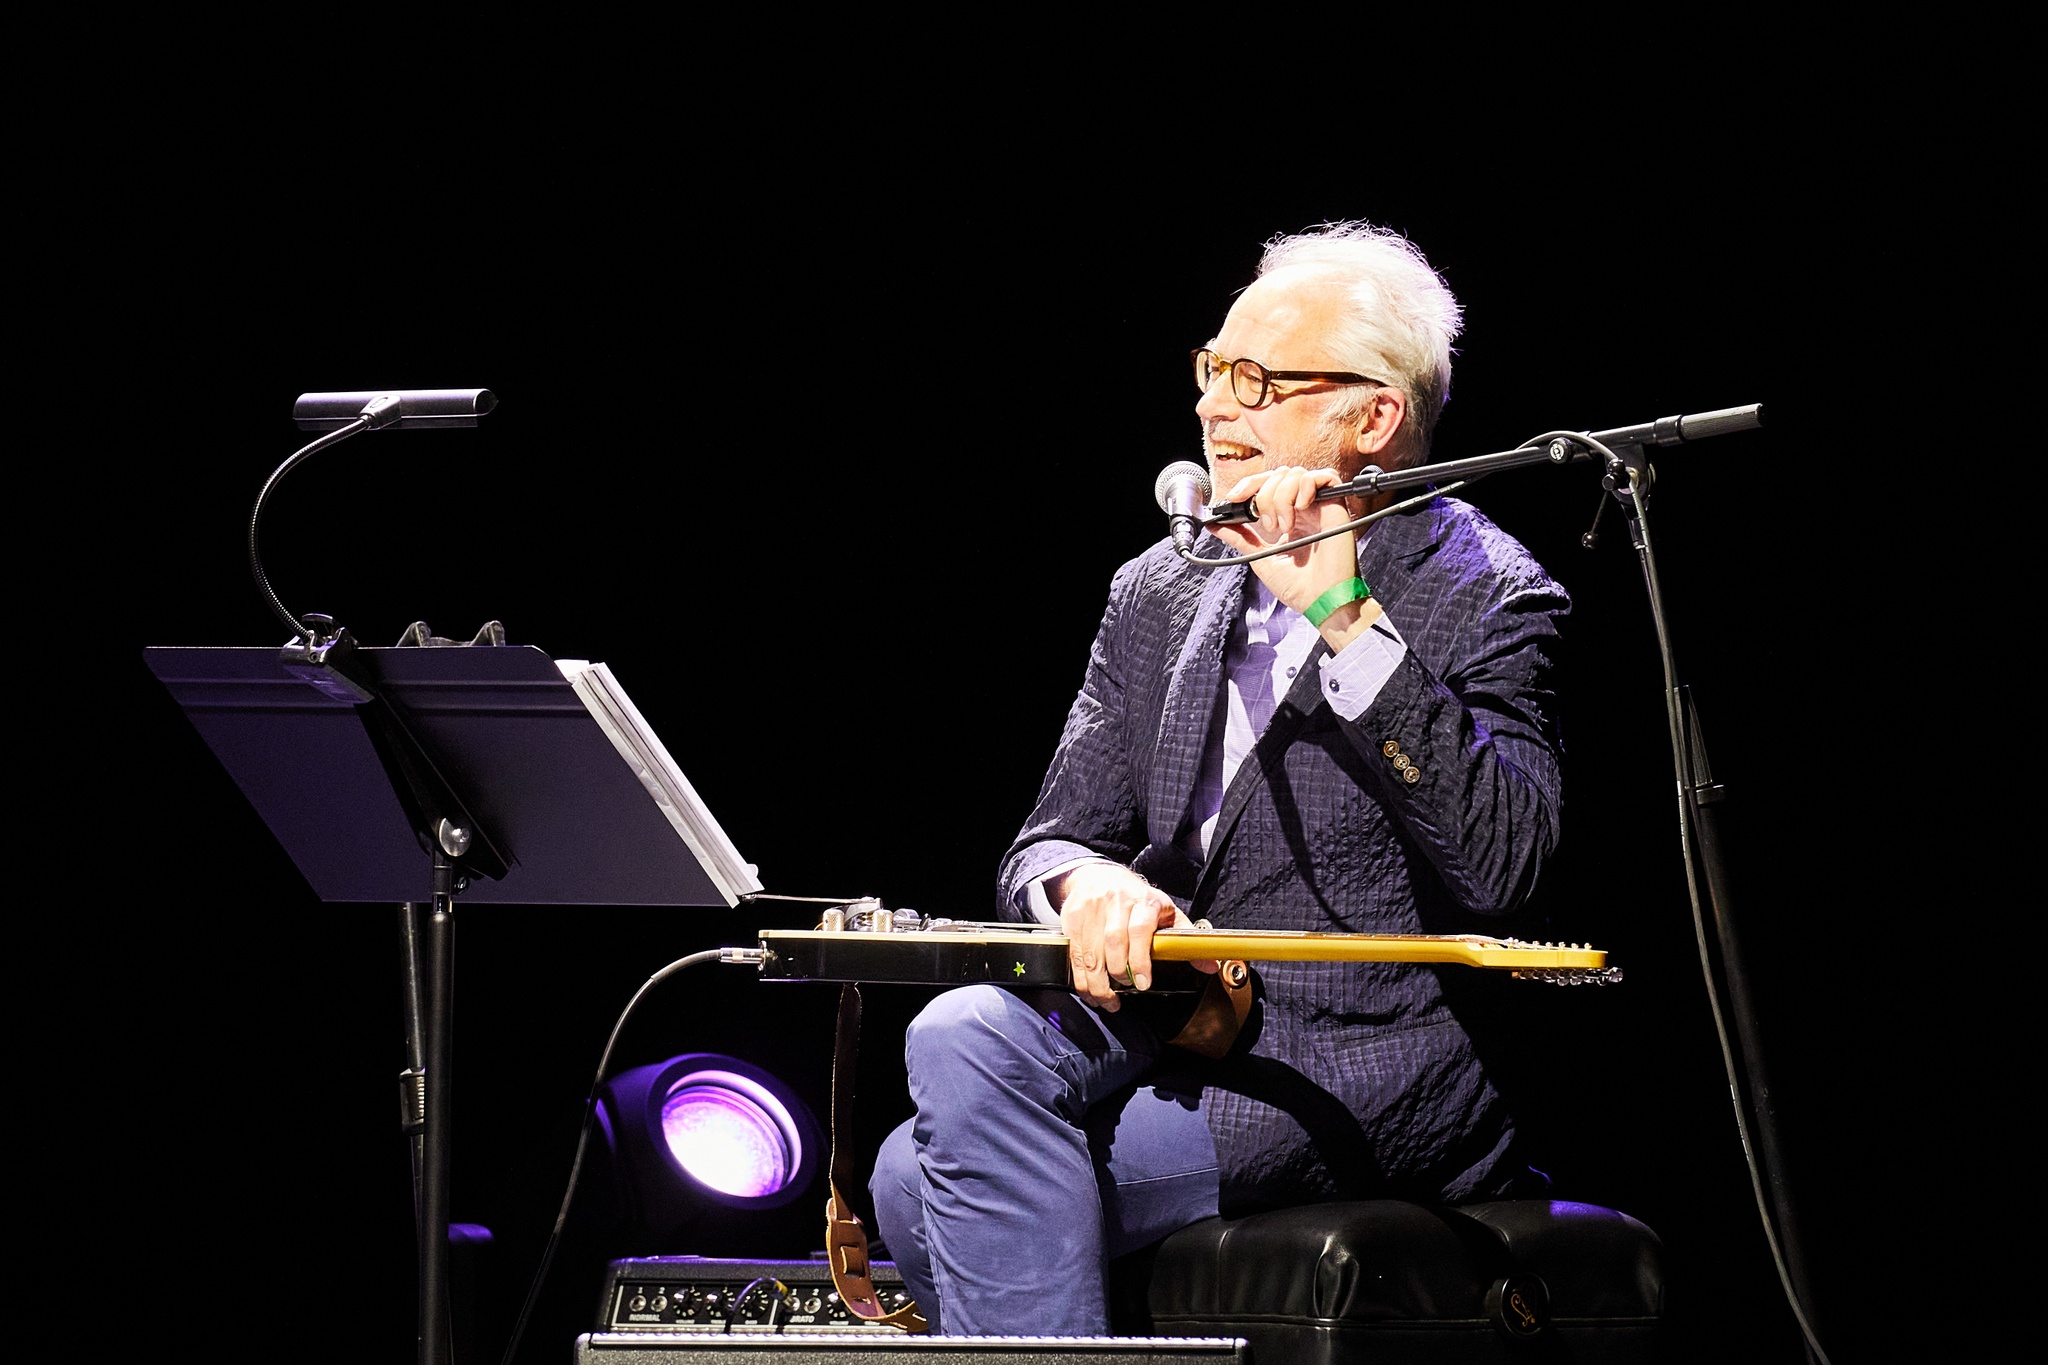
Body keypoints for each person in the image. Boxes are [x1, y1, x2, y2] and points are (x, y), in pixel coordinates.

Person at [869, 221, 1569, 1336]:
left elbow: (1503, 867)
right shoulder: (1161, 584)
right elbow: (1044, 842)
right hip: (1171, 1016)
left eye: (1254, 381)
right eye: (1210, 370)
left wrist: (1346, 619)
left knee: (916, 1183)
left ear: (1370, 419)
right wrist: (1088, 886)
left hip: (1366, 1058)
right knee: (958, 1033)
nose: (1211, 407)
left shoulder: (1483, 588)